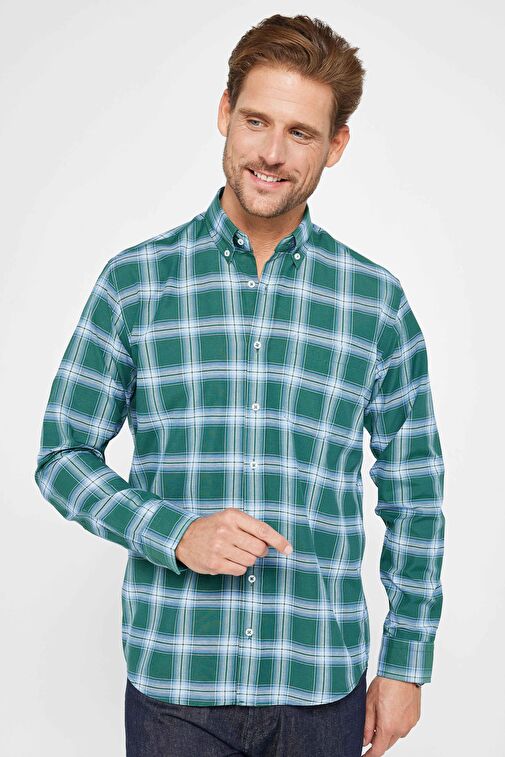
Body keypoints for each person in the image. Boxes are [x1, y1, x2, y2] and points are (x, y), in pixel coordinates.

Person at [34, 13, 445, 757]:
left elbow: (414, 492)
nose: (271, 153)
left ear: (336, 145)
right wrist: (173, 531)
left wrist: (405, 662)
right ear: (225, 113)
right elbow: (62, 456)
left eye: (300, 132)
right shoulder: (135, 283)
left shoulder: (375, 302)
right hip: (175, 688)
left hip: (320, 686)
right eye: (256, 121)